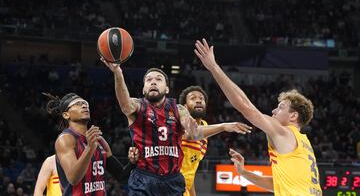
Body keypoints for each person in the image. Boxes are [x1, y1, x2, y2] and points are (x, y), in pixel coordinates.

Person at [101, 59, 251, 196]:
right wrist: (118, 73)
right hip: (144, 177)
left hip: (172, 180)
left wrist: (222, 126)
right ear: (143, 89)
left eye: (158, 79)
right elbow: (125, 105)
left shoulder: (178, 109)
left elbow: (195, 133)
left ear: (167, 89)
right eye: (149, 80)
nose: (153, 82)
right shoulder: (138, 105)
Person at [194, 39, 322, 196]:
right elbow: (276, 184)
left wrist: (213, 67)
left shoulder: (285, 132)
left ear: (293, 116)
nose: (274, 110)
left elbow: (246, 107)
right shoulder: (303, 144)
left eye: (281, 107)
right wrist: (244, 173)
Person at [44, 93, 138, 196]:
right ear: (66, 115)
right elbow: (73, 179)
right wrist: (89, 148)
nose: (84, 106)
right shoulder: (65, 140)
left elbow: (122, 177)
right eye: (77, 104)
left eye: (85, 103)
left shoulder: (99, 140)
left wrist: (132, 163)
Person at [179, 85, 251, 196]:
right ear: (184, 106)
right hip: (169, 187)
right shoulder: (178, 121)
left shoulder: (206, 126)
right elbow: (192, 134)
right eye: (193, 98)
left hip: (184, 189)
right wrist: (223, 126)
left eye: (201, 99)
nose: (198, 100)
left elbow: (191, 170)